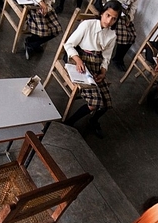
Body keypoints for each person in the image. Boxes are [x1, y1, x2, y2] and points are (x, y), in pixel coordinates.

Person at [62, 0, 122, 139]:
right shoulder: (87, 25)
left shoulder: (112, 36)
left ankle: (93, 120)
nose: (109, 20)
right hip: (80, 59)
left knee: (107, 104)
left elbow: (106, 58)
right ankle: (69, 122)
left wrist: (103, 72)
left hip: (95, 66)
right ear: (102, 13)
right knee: (94, 103)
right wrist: (77, 60)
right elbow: (69, 44)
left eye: (114, 18)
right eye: (107, 15)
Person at [93, 0, 138, 71]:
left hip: (123, 14)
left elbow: (133, 7)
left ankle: (118, 58)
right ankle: (103, 52)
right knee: (123, 34)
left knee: (132, 35)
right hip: (111, 8)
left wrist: (129, 18)